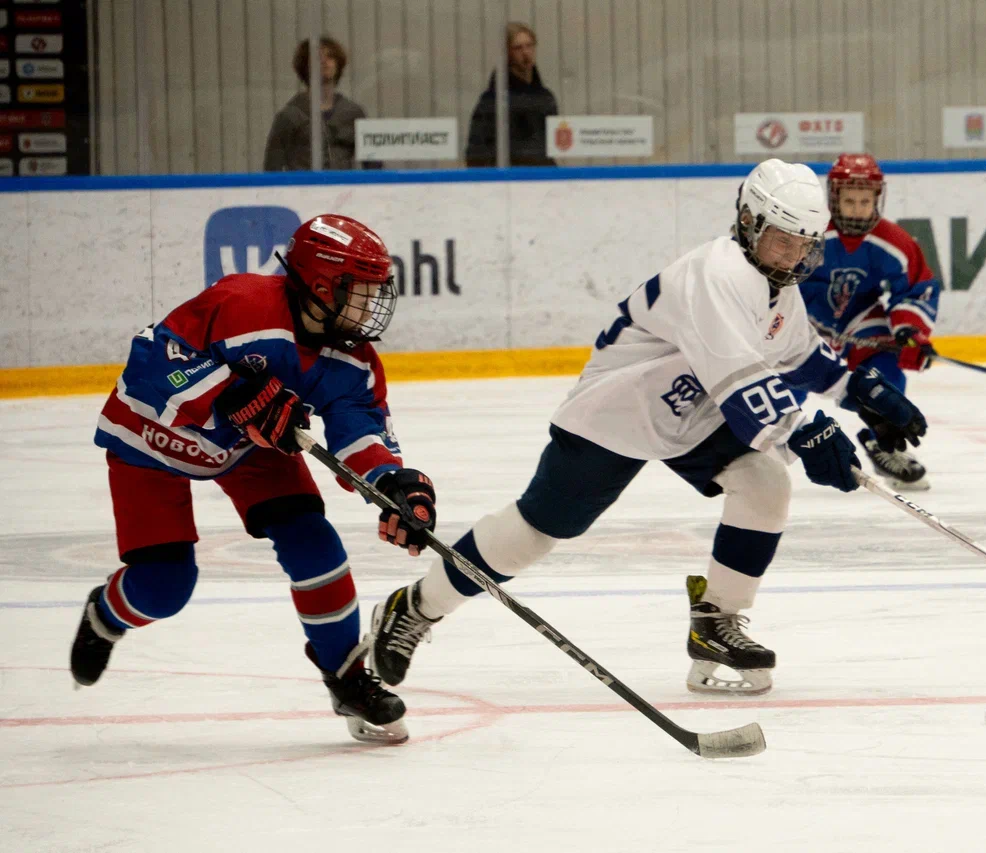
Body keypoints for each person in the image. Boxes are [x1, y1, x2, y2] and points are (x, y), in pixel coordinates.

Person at [365, 159, 927, 698]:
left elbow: (799, 355)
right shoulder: (719, 272)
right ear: (749, 223)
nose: (794, 255)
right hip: (622, 409)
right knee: (539, 528)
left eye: (806, 245)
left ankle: (717, 622)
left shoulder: (775, 282)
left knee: (765, 483)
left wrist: (863, 393)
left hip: (695, 408)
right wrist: (808, 432)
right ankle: (415, 606)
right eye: (783, 240)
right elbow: (745, 386)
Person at [71, 215, 439, 745]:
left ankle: (346, 674)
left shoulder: (351, 360)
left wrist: (394, 483)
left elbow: (358, 429)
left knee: (315, 542)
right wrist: (230, 394)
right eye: (359, 291)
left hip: (249, 447)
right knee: (164, 588)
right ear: (319, 284)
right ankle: (105, 616)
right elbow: (155, 360)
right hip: (152, 438)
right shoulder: (241, 304)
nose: (370, 304)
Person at [800, 153, 942, 490]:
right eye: (850, 200)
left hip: (857, 324)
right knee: (779, 388)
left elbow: (915, 289)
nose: (858, 208)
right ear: (834, 198)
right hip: (801, 324)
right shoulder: (810, 234)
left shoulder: (893, 241)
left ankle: (883, 441)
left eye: (865, 201)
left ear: (877, 198)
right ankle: (749, 444)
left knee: (886, 364)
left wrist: (908, 329)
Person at [263, 37, 372, 171]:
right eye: (317, 58)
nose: (325, 61)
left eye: (330, 56)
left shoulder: (353, 113)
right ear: (305, 66)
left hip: (343, 189)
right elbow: (272, 166)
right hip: (303, 190)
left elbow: (372, 163)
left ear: (338, 64)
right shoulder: (290, 116)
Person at [464, 22, 558, 167]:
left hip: (541, 180)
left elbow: (552, 146)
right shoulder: (493, 100)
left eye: (529, 45)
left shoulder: (545, 98)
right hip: (508, 179)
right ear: (508, 53)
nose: (525, 52)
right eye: (518, 48)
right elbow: (477, 152)